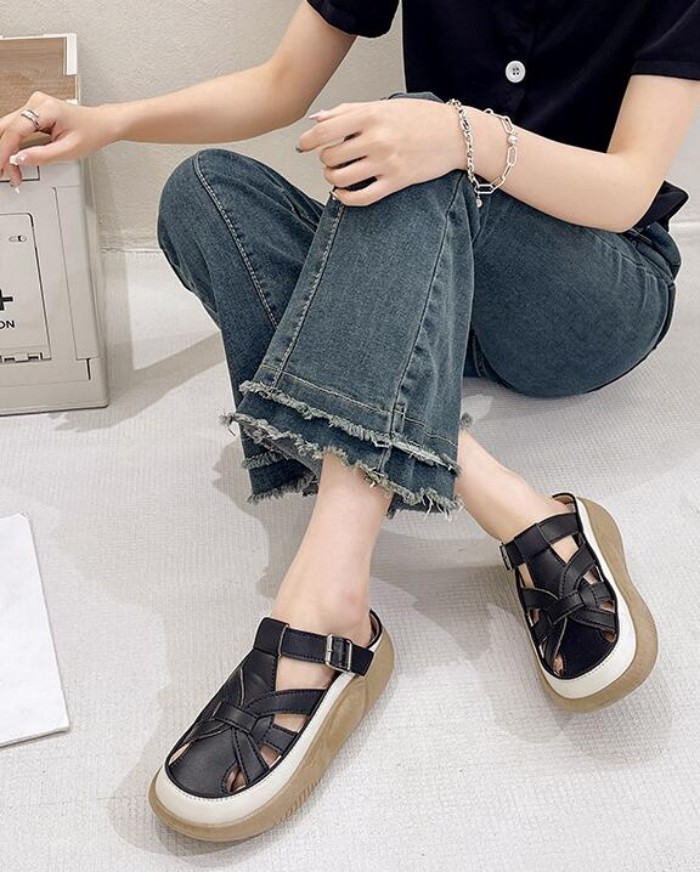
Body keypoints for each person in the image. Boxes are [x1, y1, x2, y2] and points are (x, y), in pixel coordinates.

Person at [2, 0, 698, 844]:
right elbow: (279, 83)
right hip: (429, 283)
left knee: (415, 136)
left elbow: (626, 190)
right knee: (203, 195)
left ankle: (326, 602)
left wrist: (462, 136)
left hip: (587, 297)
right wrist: (111, 122)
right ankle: (502, 494)